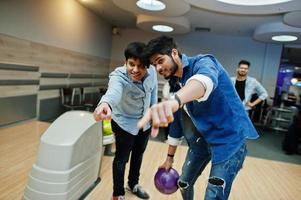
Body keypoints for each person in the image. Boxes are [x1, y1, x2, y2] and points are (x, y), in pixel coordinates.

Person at [137, 35, 259, 200]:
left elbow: (204, 81)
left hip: (229, 142)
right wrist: (169, 159)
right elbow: (177, 125)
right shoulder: (177, 82)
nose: (158, 68)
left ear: (174, 53)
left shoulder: (204, 62)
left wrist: (175, 101)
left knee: (213, 195)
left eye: (160, 61)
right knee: (183, 183)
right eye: (154, 65)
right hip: (202, 142)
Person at [94, 42, 157, 200]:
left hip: (145, 123)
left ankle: (133, 184)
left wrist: (154, 112)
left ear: (148, 66)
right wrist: (105, 103)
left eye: (141, 66)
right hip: (124, 124)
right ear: (126, 62)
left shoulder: (153, 73)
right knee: (121, 159)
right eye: (131, 64)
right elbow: (113, 92)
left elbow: (154, 91)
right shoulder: (119, 76)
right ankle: (118, 194)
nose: (135, 70)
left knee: (138, 155)